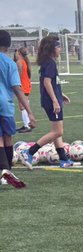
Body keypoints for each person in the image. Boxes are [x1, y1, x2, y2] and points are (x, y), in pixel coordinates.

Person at [20, 35, 76, 168]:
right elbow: (46, 83)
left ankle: (63, 159)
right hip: (51, 102)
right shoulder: (50, 63)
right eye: (58, 47)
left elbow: (51, 82)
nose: (60, 49)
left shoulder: (47, 62)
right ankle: (28, 152)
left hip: (50, 99)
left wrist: (60, 95)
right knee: (58, 132)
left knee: (56, 131)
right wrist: (55, 101)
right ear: (52, 49)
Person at [0, 30, 35, 187]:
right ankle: (7, 170)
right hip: (6, 105)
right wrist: (29, 112)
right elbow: (17, 88)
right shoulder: (10, 64)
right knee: (7, 137)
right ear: (8, 45)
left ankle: (4, 170)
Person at [13, 47, 35, 131]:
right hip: (25, 85)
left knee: (22, 106)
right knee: (24, 105)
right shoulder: (24, 61)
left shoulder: (19, 62)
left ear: (19, 53)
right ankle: (26, 124)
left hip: (22, 86)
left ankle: (27, 125)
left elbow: (18, 75)